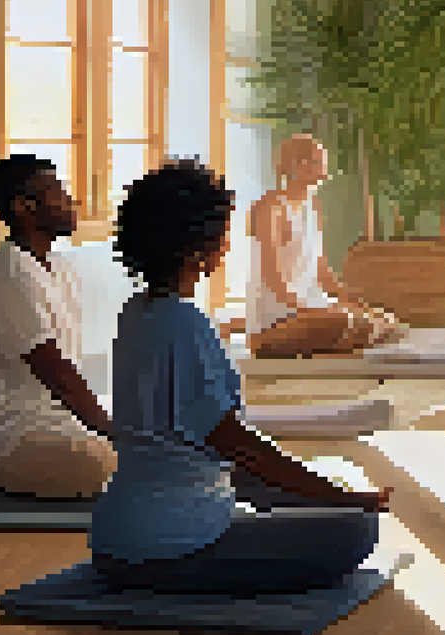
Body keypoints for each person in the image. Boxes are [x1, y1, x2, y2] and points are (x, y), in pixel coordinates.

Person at [89, 158, 392, 594]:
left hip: (116, 537)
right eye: (223, 231)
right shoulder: (186, 324)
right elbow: (237, 444)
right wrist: (345, 499)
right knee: (356, 529)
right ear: (199, 247)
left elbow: (224, 450)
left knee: (287, 489)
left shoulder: (136, 314)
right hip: (170, 547)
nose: (228, 242)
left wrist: (317, 489)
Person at [0, 154, 116, 498]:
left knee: (163, 442)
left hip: (58, 423)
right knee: (100, 463)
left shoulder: (60, 269)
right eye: (57, 192)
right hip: (6, 434)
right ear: (24, 207)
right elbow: (58, 374)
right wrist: (114, 431)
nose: (69, 200)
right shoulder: (7, 275)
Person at [244, 134, 403, 358]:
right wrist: (322, 311)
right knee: (349, 322)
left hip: (310, 310)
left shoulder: (313, 207)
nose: (325, 171)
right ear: (295, 166)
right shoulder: (270, 209)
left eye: (323, 162)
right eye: (317, 162)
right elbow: (275, 284)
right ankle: (335, 338)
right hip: (274, 321)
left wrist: (362, 306)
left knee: (385, 321)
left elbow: (323, 275)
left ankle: (338, 338)